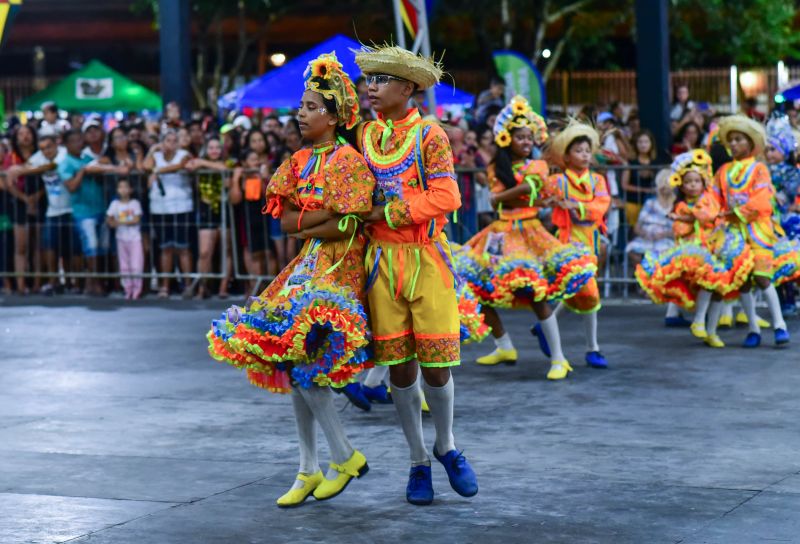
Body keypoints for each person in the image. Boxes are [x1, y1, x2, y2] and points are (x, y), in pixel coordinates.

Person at [208, 53, 373, 507]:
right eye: (301, 106)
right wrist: (317, 221)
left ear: (336, 115)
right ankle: (309, 466)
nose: (300, 113)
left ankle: (341, 456)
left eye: (310, 107)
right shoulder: (298, 161)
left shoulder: (349, 162)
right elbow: (286, 225)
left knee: (304, 364)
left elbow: (349, 227)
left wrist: (310, 223)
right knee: (289, 359)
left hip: (340, 267)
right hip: (307, 263)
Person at [355, 44, 478, 506]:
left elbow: (448, 197)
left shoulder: (430, 135)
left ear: (407, 87)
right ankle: (417, 461)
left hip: (426, 258)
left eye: (382, 79)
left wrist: (387, 211)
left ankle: (446, 444)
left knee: (437, 364)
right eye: (370, 79)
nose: (372, 87)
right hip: (381, 263)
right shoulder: (364, 135)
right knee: (399, 369)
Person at [457, 96, 597, 380]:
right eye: (519, 137)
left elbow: (528, 190)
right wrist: (500, 197)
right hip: (499, 233)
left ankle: (559, 358)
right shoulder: (497, 166)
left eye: (529, 137)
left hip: (530, 233)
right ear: (507, 138)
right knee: (477, 286)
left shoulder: (539, 166)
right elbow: (502, 202)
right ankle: (504, 344)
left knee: (535, 293)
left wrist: (499, 195)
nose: (525, 142)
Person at [636, 150, 753, 348]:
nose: (692, 185)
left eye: (696, 181)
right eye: (688, 181)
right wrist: (683, 220)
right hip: (696, 253)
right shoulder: (681, 206)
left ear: (703, 182)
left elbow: (707, 215)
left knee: (718, 289)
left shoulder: (708, 200)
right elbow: (682, 228)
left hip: (715, 248)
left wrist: (688, 218)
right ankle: (699, 320)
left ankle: (712, 332)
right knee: (709, 282)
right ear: (681, 184)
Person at [714, 115, 796, 347]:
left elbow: (762, 201)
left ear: (750, 143)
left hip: (758, 230)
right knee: (743, 282)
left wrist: (737, 213)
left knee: (762, 277)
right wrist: (705, 212)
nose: (733, 144)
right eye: (731, 140)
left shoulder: (759, 169)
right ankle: (753, 329)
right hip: (734, 233)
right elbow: (714, 197)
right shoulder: (723, 171)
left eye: (738, 139)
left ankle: (779, 325)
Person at [548, 120, 611, 369]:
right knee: (590, 293)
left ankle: (547, 324)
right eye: (578, 151)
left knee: (577, 291)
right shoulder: (559, 181)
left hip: (591, 241)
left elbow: (601, 206)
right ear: (566, 155)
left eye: (587, 151)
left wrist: (578, 206)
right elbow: (544, 196)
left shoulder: (597, 181)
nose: (584, 155)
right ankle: (592, 348)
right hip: (569, 242)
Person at [11, 131, 71, 295]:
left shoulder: (64, 153)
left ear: (57, 145)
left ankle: (73, 283)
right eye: (43, 148)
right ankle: (52, 281)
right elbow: (28, 165)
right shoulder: (39, 156)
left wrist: (23, 171)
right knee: (49, 248)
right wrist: (18, 168)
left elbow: (52, 166)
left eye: (49, 147)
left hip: (71, 207)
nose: (46, 151)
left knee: (70, 250)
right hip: (52, 210)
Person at [142, 130, 193, 298]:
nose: (170, 144)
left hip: (181, 207)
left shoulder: (184, 154)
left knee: (183, 248)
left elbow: (182, 165)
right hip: (160, 209)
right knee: (166, 248)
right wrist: (152, 150)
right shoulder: (155, 156)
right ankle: (165, 285)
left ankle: (187, 285)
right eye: (167, 141)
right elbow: (145, 167)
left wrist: (157, 171)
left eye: (173, 141)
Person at [187, 136, 232, 299]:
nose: (214, 151)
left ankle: (223, 287)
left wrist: (203, 163)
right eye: (211, 147)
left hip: (225, 208)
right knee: (205, 251)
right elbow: (188, 166)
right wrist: (199, 162)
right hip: (206, 209)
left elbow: (224, 169)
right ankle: (202, 287)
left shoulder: (228, 163)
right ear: (206, 149)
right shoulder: (199, 162)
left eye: (217, 148)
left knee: (226, 249)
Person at [3, 124, 43, 294]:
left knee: (37, 246)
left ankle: (37, 283)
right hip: (19, 203)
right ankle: (20, 285)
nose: (25, 136)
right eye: (21, 134)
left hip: (40, 200)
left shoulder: (41, 155)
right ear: (16, 138)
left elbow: (49, 176)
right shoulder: (10, 157)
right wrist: (25, 199)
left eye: (28, 133)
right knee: (21, 247)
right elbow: (7, 183)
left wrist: (36, 197)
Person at [625, 169, 675, 272]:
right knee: (633, 251)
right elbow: (637, 227)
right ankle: (644, 280)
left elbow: (678, 229)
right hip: (646, 239)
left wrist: (664, 234)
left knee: (667, 255)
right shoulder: (650, 203)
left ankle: (657, 282)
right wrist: (645, 234)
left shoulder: (676, 205)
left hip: (666, 240)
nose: (665, 187)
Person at [106, 179, 144, 300]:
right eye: (120, 187)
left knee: (136, 264)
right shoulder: (115, 204)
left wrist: (120, 222)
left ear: (131, 189)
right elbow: (110, 221)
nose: (123, 189)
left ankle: (137, 289)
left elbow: (136, 220)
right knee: (124, 265)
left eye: (126, 187)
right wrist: (124, 222)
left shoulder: (135, 203)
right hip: (121, 238)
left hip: (134, 238)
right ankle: (127, 288)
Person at [621, 130, 658, 227]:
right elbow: (624, 185)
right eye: (640, 142)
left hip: (651, 205)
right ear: (636, 144)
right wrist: (644, 190)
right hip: (633, 203)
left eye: (646, 142)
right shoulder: (630, 162)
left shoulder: (655, 161)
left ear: (651, 144)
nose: (643, 145)